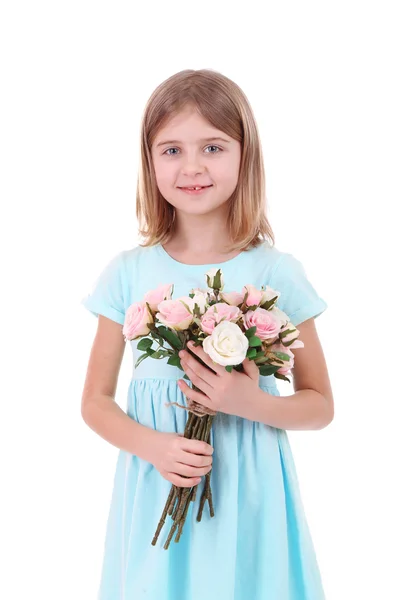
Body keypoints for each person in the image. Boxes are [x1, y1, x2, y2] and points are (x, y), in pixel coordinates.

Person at [81, 68, 334, 600]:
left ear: (246, 156)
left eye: (213, 147)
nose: (191, 166)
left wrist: (249, 401)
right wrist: (154, 447)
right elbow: (94, 402)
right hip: (158, 484)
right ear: (149, 162)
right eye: (170, 150)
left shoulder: (276, 272)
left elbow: (319, 405)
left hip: (248, 492)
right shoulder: (127, 273)